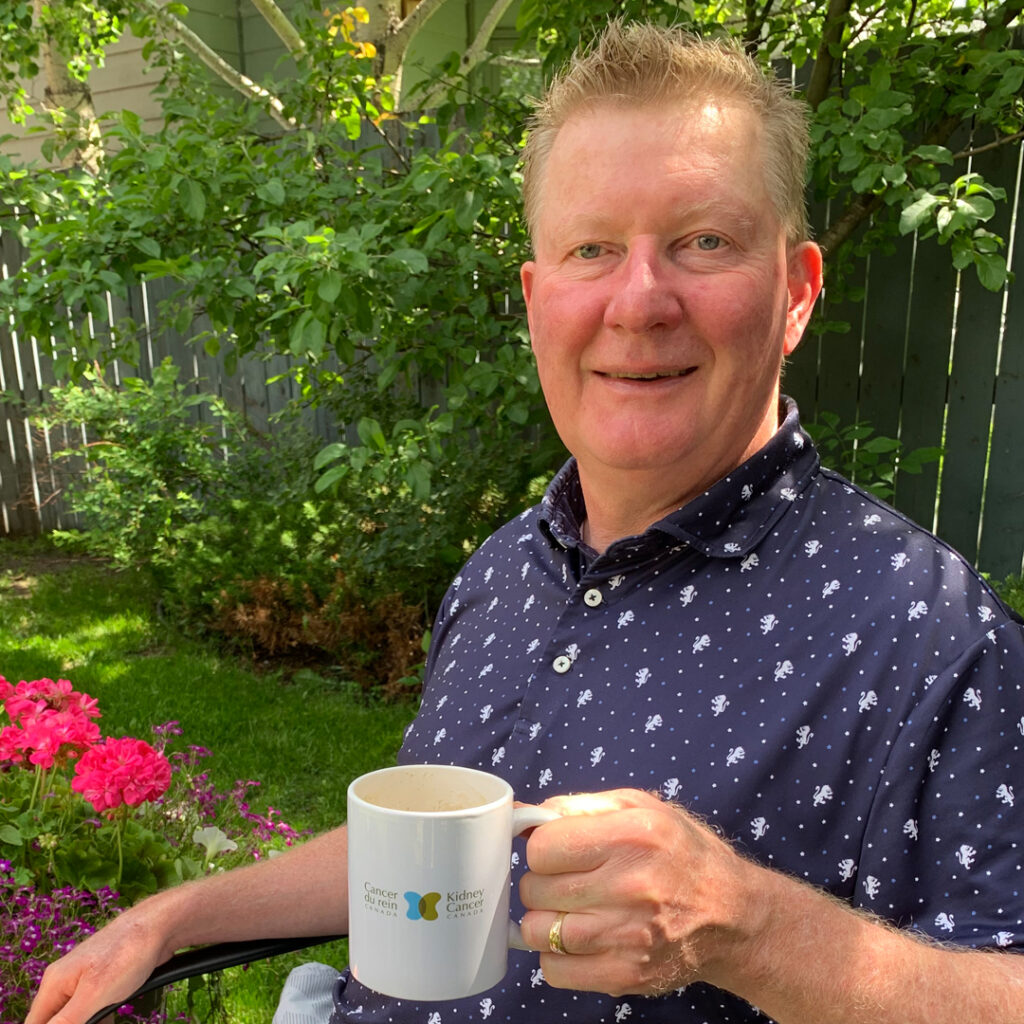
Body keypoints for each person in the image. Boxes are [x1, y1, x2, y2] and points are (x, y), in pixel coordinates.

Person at [27, 21, 1024, 1024]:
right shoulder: (504, 570)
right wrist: (170, 917)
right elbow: (423, 847)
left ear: (796, 292)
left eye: (702, 242)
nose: (638, 300)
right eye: (592, 249)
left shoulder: (932, 637)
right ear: (538, 299)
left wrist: (751, 929)